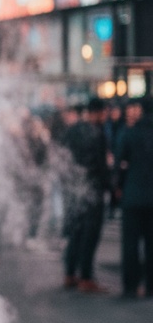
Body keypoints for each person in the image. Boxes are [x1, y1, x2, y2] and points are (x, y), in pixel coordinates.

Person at [61, 99, 110, 293]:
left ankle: (70, 273)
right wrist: (110, 187)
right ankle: (86, 277)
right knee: (90, 235)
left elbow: (61, 158)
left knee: (76, 232)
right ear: (97, 112)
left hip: (74, 189)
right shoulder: (97, 133)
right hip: (92, 190)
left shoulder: (72, 130)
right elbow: (101, 165)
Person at [116, 97, 153, 299]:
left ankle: (130, 285)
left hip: (132, 195)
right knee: (151, 243)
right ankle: (150, 285)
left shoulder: (130, 133)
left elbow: (120, 162)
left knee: (130, 243)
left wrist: (118, 187)